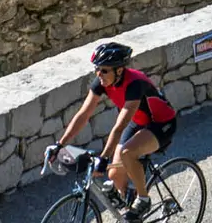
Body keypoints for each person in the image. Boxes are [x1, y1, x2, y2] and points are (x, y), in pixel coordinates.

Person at [46, 41, 178, 221]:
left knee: (127, 152)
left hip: (161, 123)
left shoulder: (134, 84)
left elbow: (119, 126)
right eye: (97, 69)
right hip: (138, 123)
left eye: (104, 70)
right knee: (114, 175)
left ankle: (143, 199)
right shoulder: (102, 82)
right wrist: (60, 144)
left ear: (119, 70)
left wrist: (104, 157)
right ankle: (130, 203)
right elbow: (83, 114)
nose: (99, 74)